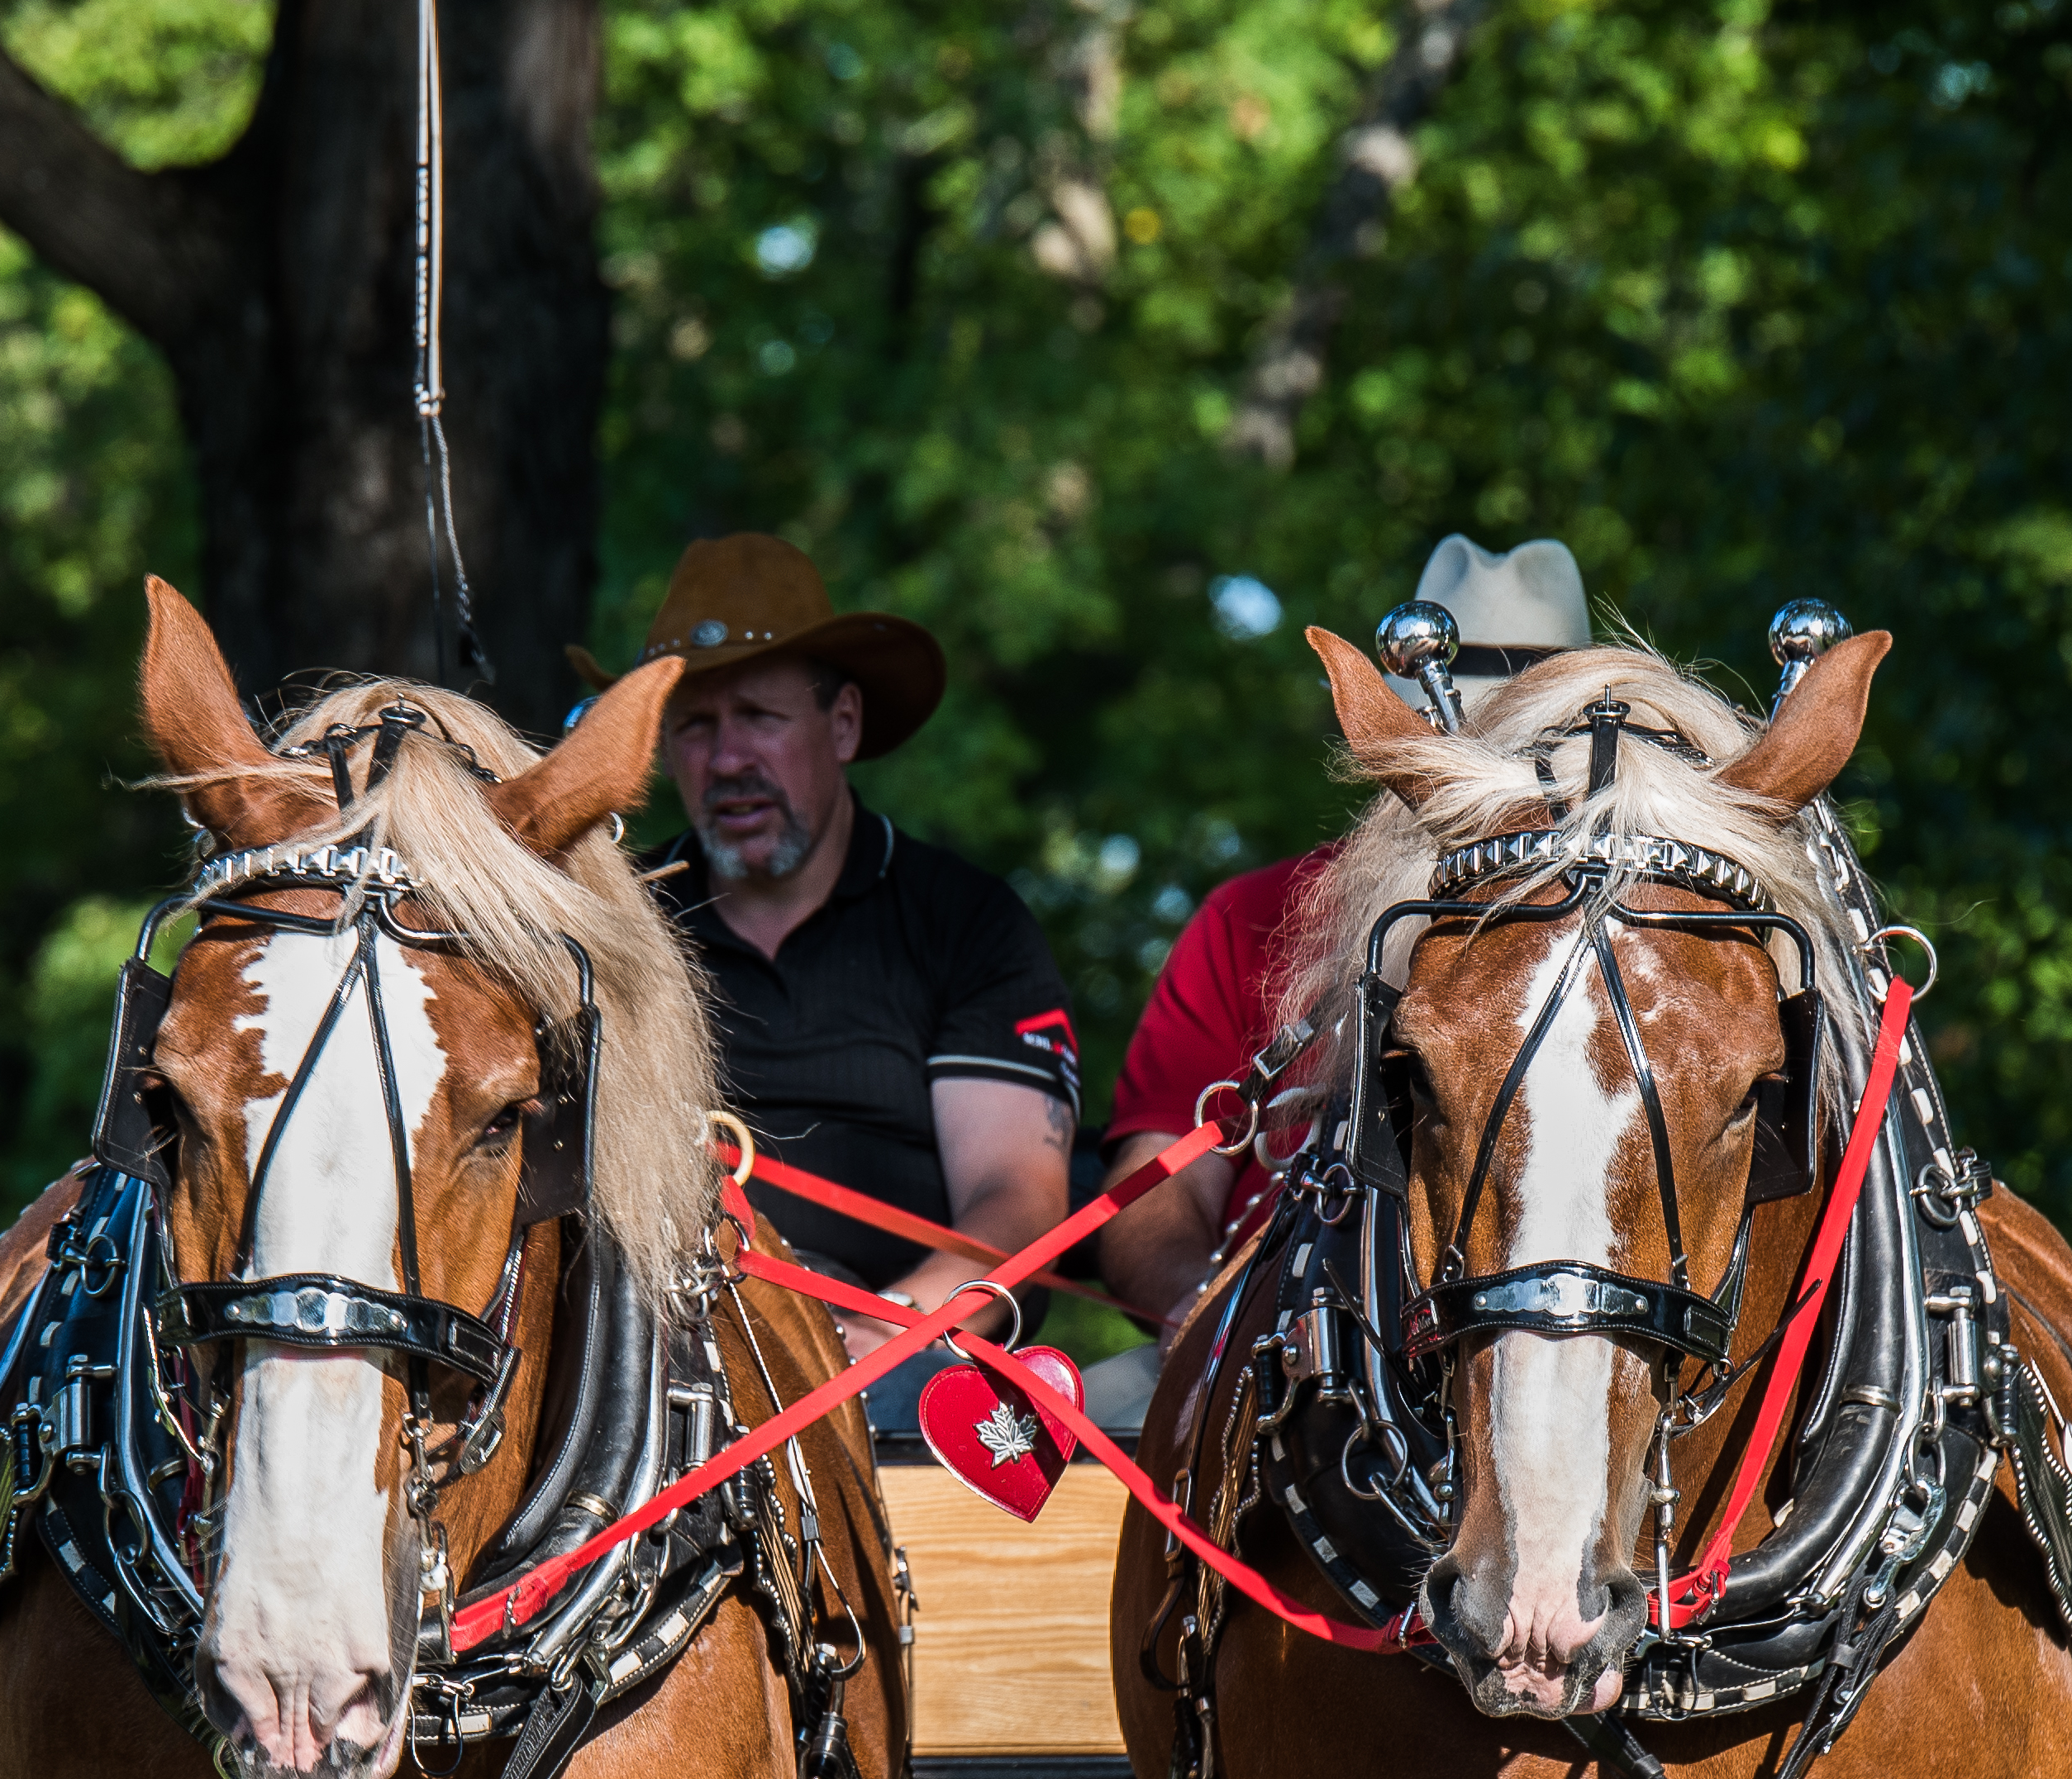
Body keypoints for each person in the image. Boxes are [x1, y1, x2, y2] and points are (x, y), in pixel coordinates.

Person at [1079, 534, 1599, 1332]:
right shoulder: (1248, 917)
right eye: (1442, 751)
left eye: (1519, 755)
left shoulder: (1637, 940)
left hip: (1547, 1350)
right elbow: (1158, 1188)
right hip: (1258, 1352)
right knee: (1052, 1441)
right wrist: (1203, 1310)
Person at [623, 538, 1075, 1382]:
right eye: (694, 726)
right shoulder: (614, 925)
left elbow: (1018, 1200)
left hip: (905, 1355)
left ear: (842, 725)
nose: (726, 761)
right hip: (654, 1362)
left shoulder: (968, 922)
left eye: (758, 716)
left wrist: (877, 1339)